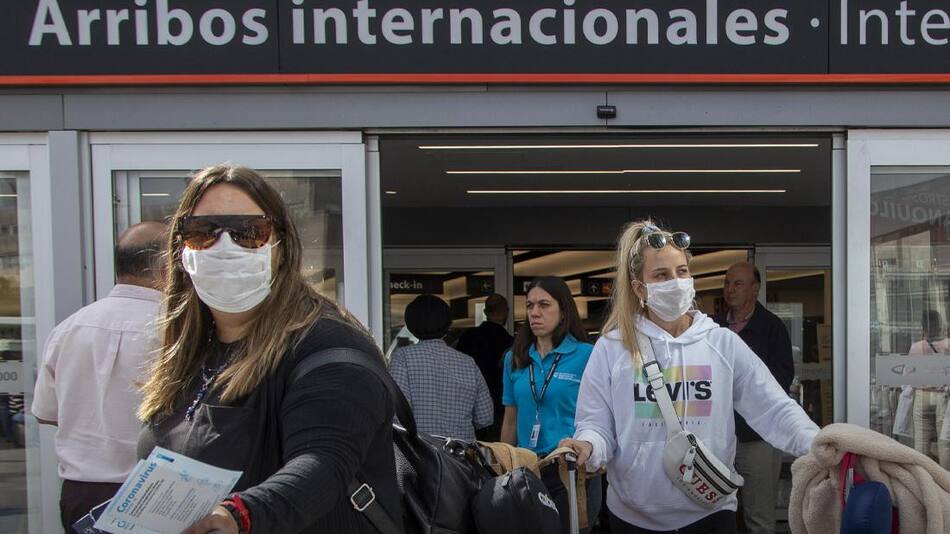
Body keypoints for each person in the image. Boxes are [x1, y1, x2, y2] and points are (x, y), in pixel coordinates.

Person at [136, 164, 399, 534]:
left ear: (281, 246)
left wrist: (237, 515)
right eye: (202, 233)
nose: (224, 247)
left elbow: (322, 464)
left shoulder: (330, 349)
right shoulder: (193, 355)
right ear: (181, 250)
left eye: (249, 232)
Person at [560, 220, 819, 534]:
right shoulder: (613, 348)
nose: (676, 282)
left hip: (710, 513)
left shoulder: (722, 344)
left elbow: (773, 408)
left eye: (682, 272)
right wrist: (587, 446)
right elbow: (597, 424)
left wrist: (819, 444)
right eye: (661, 275)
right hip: (633, 517)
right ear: (639, 287)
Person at [31, 221, 167, 531]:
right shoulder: (180, 331)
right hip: (155, 490)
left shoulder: (68, 329)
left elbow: (46, 414)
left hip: (82, 492)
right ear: (165, 268)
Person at [500, 276, 602, 534]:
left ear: (564, 310)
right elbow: (510, 419)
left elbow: (602, 414)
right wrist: (502, 466)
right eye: (530, 305)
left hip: (570, 470)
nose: (535, 312)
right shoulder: (516, 358)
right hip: (527, 470)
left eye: (544, 305)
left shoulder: (586, 355)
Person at [714, 261, 795, 534]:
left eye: (737, 283)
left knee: (759, 519)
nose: (730, 289)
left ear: (755, 289)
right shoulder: (712, 329)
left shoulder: (772, 328)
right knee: (715, 514)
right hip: (716, 437)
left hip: (757, 438)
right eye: (727, 283)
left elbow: (780, 383)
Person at [389, 294, 494, 441]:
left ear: (411, 325)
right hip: (461, 456)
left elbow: (397, 413)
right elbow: (485, 418)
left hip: (421, 454)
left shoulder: (403, 358)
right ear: (447, 325)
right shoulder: (468, 363)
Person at [457, 293, 513, 439]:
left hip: (467, 405)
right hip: (500, 407)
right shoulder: (509, 343)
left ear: (485, 312)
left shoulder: (468, 337)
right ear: (506, 312)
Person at [908, 309, 950, 468]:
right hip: (943, 397)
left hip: (922, 396)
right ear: (940, 326)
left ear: (923, 328)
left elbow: (908, 375)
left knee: (921, 442)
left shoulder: (916, 347)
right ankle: (947, 481)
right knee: (945, 442)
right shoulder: (948, 345)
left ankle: (922, 478)